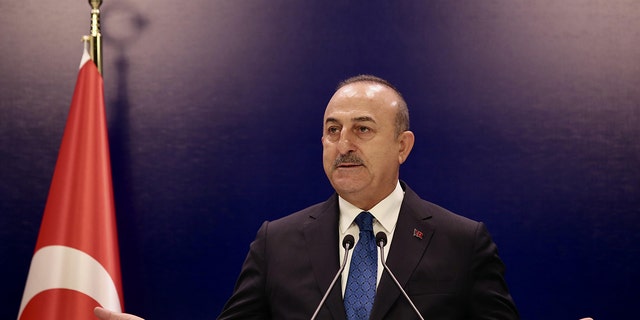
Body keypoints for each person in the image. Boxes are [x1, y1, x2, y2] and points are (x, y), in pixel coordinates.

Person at [95, 75, 519, 319]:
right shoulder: (276, 242)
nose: (344, 144)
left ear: (402, 146)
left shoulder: (462, 242)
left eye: (363, 129)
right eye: (333, 130)